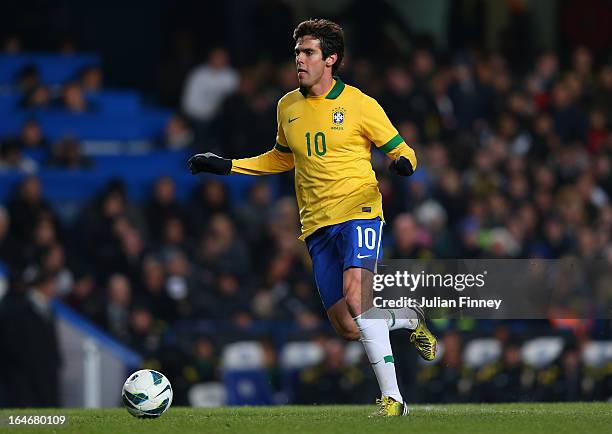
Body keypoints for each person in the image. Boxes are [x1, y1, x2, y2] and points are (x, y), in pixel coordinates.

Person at [187, 18, 437, 417]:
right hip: (316, 225)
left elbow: (403, 150)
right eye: (298, 52)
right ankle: (405, 317)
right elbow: (282, 158)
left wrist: (403, 165)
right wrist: (228, 166)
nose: (299, 60)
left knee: (358, 297)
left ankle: (394, 400)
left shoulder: (359, 104)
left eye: (308, 53)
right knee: (347, 325)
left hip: (360, 210)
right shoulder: (287, 106)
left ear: (330, 59)